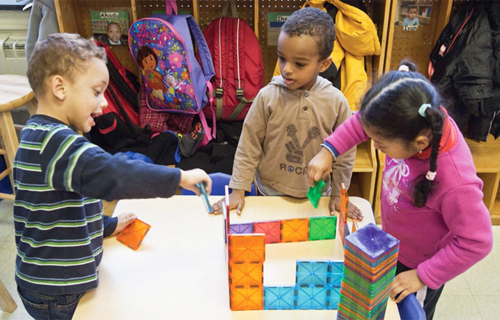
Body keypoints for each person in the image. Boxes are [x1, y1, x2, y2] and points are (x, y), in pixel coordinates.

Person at [14, 33, 212, 320]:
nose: (105, 103)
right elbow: (114, 173)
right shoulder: (58, 144)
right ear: (60, 87)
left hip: (46, 281)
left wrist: (106, 226)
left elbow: (56, 208)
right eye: (96, 92)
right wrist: (178, 177)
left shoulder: (38, 134)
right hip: (58, 291)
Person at [307, 60, 493, 320]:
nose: (374, 146)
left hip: (422, 264)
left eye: (381, 144)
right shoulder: (407, 117)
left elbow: (478, 241)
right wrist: (330, 150)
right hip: (393, 244)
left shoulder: (456, 183)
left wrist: (422, 276)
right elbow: (363, 121)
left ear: (418, 143)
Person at [211, 7, 361, 219]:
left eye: (299, 64)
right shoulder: (266, 96)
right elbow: (249, 145)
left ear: (324, 64)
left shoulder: (337, 102)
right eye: (282, 58)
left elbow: (344, 156)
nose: (287, 69)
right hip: (269, 193)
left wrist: (338, 193)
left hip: (316, 198)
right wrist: (238, 190)